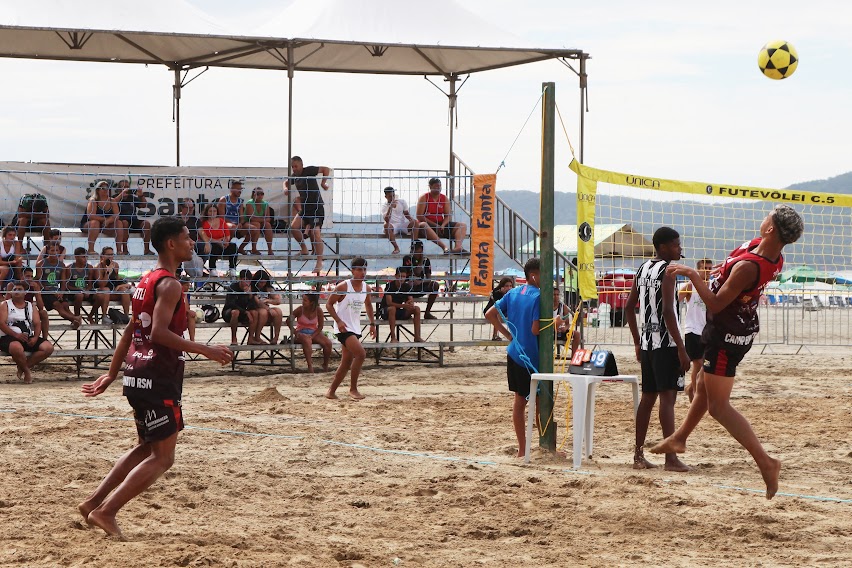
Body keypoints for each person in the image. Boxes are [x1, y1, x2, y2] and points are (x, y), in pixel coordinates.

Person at [78, 216, 233, 538]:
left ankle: (92, 501)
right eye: (188, 238)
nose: (193, 242)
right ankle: (106, 512)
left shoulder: (147, 280)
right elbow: (159, 333)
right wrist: (204, 349)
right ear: (171, 243)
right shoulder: (170, 284)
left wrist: (111, 372)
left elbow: (133, 331)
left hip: (137, 371)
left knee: (146, 448)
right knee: (163, 458)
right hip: (158, 373)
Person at [650, 205, 804, 500]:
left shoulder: (751, 266)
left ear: (771, 228)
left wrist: (693, 275)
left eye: (767, 217)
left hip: (729, 334)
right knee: (702, 388)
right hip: (727, 328)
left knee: (718, 406)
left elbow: (716, 303)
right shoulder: (766, 249)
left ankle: (766, 462)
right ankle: (680, 438)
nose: (763, 219)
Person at [625, 227, 691, 472]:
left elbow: (629, 307)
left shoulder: (642, 268)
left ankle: (638, 456)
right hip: (666, 343)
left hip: (648, 343)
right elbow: (667, 312)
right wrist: (681, 349)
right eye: (676, 244)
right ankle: (671, 458)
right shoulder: (669, 271)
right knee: (668, 398)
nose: (680, 248)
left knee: (648, 397)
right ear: (663, 247)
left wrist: (636, 341)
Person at [483, 258, 541, 459]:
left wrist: (508, 335)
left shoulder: (514, 292)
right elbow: (535, 330)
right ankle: (544, 446)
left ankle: (522, 449)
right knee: (540, 401)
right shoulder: (539, 296)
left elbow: (490, 313)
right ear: (534, 275)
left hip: (515, 352)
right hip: (531, 357)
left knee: (519, 402)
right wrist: (555, 322)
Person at [325, 257, 377, 400]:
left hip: (355, 327)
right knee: (361, 354)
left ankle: (331, 392)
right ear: (352, 270)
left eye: (364, 269)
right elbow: (329, 304)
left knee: (346, 362)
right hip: (343, 328)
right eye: (359, 269)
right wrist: (338, 321)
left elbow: (368, 305)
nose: (363, 272)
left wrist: (372, 324)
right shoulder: (343, 286)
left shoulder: (366, 288)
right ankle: (353, 389)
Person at [0, 281, 53, 383]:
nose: (16, 291)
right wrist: (16, 335)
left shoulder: (30, 306)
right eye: (14, 289)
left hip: (27, 336)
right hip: (8, 336)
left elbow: (37, 324)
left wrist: (35, 338)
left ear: (25, 293)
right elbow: (1, 324)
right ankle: (27, 371)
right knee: (16, 347)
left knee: (48, 348)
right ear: (11, 292)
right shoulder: (5, 305)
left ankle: (23, 367)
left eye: (19, 289)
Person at [284, 156, 330, 274]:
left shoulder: (308, 171)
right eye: (292, 167)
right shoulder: (295, 177)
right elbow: (286, 181)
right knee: (293, 227)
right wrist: (285, 188)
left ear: (301, 165)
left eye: (296, 166)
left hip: (316, 207)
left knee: (316, 233)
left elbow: (325, 169)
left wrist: (323, 182)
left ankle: (319, 261)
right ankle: (304, 249)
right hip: (305, 209)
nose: (294, 169)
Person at [680, 258, 713, 401]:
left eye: (710, 268)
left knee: (705, 365)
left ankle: (690, 388)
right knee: (698, 363)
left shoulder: (713, 285)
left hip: (707, 330)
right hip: (692, 329)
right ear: (698, 270)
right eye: (705, 268)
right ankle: (695, 396)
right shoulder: (690, 286)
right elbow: (675, 299)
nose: (708, 271)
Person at [382, 186, 448, 255]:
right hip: (393, 225)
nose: (392, 198)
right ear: (386, 197)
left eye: (393, 195)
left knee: (415, 223)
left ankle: (413, 246)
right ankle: (396, 247)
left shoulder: (401, 202)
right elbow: (387, 219)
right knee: (386, 226)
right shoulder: (384, 206)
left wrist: (411, 220)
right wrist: (390, 208)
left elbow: (406, 213)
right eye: (390, 196)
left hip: (402, 223)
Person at [36, 242, 82, 329]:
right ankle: (75, 318)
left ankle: (74, 321)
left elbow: (63, 282)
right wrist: (50, 291)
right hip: (45, 291)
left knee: (65, 305)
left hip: (57, 290)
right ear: (48, 251)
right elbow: (38, 281)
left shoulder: (61, 265)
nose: (54, 252)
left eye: (56, 250)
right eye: (52, 250)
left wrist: (61, 292)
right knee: (58, 305)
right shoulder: (41, 264)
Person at [415, 177, 467, 254]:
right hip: (427, 225)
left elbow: (447, 215)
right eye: (436, 186)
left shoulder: (444, 198)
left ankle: (458, 247)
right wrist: (435, 225)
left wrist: (443, 225)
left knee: (462, 225)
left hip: (441, 225)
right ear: (430, 186)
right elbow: (419, 216)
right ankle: (445, 247)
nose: (438, 188)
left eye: (439, 186)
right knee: (423, 225)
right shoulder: (424, 198)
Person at [380, 266, 424, 343]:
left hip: (399, 311)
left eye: (403, 276)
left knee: (416, 309)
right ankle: (393, 337)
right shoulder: (390, 286)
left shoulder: (406, 286)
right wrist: (403, 305)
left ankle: (417, 336)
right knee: (392, 308)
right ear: (396, 276)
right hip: (386, 311)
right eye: (400, 276)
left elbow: (411, 299)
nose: (401, 278)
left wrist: (410, 303)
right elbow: (389, 303)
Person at [292, 292, 332, 373]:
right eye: (303, 300)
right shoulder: (300, 309)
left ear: (311, 302)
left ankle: (325, 364)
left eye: (305, 300)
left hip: (314, 331)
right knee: (307, 340)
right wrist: (295, 332)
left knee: (328, 343)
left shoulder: (318, 310)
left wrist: (313, 336)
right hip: (301, 331)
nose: (303, 302)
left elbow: (320, 326)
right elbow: (288, 321)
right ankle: (310, 365)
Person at [81, 181, 125, 255]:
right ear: (98, 190)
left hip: (106, 225)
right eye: (103, 188)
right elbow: (91, 216)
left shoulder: (112, 201)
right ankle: (91, 250)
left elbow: (117, 215)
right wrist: (105, 220)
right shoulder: (93, 200)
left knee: (119, 223)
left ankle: (119, 250)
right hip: (90, 225)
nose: (106, 190)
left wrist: (109, 220)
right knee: (95, 223)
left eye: (107, 188)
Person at [67, 246, 108, 324]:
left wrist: (87, 290)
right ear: (76, 257)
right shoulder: (69, 268)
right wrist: (80, 290)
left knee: (101, 296)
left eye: (86, 257)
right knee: (79, 295)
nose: (85, 259)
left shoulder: (89, 267)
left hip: (85, 291)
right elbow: (67, 285)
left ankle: (90, 315)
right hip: (74, 292)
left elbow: (90, 283)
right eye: (83, 257)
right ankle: (77, 317)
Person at [114, 180, 153, 256]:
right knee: (124, 223)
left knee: (146, 224)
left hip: (133, 220)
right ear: (119, 189)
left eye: (127, 187)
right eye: (123, 187)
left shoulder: (132, 198)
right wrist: (121, 195)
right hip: (122, 221)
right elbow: (112, 203)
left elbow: (143, 205)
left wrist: (141, 195)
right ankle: (125, 250)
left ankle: (147, 250)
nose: (126, 189)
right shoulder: (115, 197)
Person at [403, 240, 439, 319]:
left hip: (420, 285)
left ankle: (427, 312)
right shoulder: (407, 258)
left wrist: (420, 282)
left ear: (421, 249)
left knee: (435, 285)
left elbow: (429, 278)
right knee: (406, 286)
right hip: (409, 287)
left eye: (416, 249)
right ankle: (407, 312)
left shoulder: (426, 260)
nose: (414, 251)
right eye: (413, 249)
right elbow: (417, 272)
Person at [200, 204, 238, 277]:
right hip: (212, 245)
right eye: (210, 211)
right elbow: (206, 237)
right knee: (214, 247)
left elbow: (227, 235)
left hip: (223, 244)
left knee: (233, 246)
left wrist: (225, 241)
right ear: (207, 212)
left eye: (214, 211)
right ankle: (212, 269)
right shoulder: (204, 223)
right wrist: (218, 241)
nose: (212, 213)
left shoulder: (221, 221)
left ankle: (232, 268)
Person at [222, 269, 258, 345]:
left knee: (255, 313)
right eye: (244, 280)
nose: (246, 282)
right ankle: (234, 338)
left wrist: (250, 295)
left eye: (248, 280)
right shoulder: (233, 287)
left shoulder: (251, 289)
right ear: (240, 279)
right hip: (230, 312)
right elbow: (231, 304)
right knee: (235, 312)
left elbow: (254, 306)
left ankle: (251, 338)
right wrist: (245, 312)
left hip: (243, 313)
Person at [95, 246, 131, 318]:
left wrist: (121, 285)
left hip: (113, 290)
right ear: (103, 256)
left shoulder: (115, 265)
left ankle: (126, 316)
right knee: (106, 290)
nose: (110, 257)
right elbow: (101, 285)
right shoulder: (98, 267)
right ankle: (104, 316)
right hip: (102, 293)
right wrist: (108, 272)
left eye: (112, 254)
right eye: (108, 255)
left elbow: (116, 279)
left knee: (124, 291)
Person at [217, 180, 252, 255]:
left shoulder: (240, 201)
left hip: (237, 224)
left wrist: (240, 223)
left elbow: (242, 216)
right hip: (226, 224)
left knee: (253, 228)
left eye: (241, 189)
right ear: (232, 189)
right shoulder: (224, 199)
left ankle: (241, 248)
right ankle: (226, 247)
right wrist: (232, 223)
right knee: (232, 227)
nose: (240, 191)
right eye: (238, 189)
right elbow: (221, 217)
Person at [251, 270, 284, 344]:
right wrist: (268, 309)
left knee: (278, 311)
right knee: (263, 312)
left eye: (264, 282)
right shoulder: (253, 289)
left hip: (266, 306)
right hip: (256, 308)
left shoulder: (268, 288)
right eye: (260, 282)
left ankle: (276, 337)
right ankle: (257, 336)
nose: (262, 284)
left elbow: (278, 301)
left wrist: (268, 300)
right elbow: (258, 302)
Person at [245, 187, 274, 255]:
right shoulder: (250, 203)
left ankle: (270, 249)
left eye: (262, 194)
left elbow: (268, 218)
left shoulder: (265, 204)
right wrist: (262, 219)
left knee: (267, 225)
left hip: (260, 223)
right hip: (248, 223)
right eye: (258, 194)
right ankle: (254, 248)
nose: (260, 195)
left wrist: (260, 219)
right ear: (253, 195)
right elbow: (251, 218)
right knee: (256, 224)